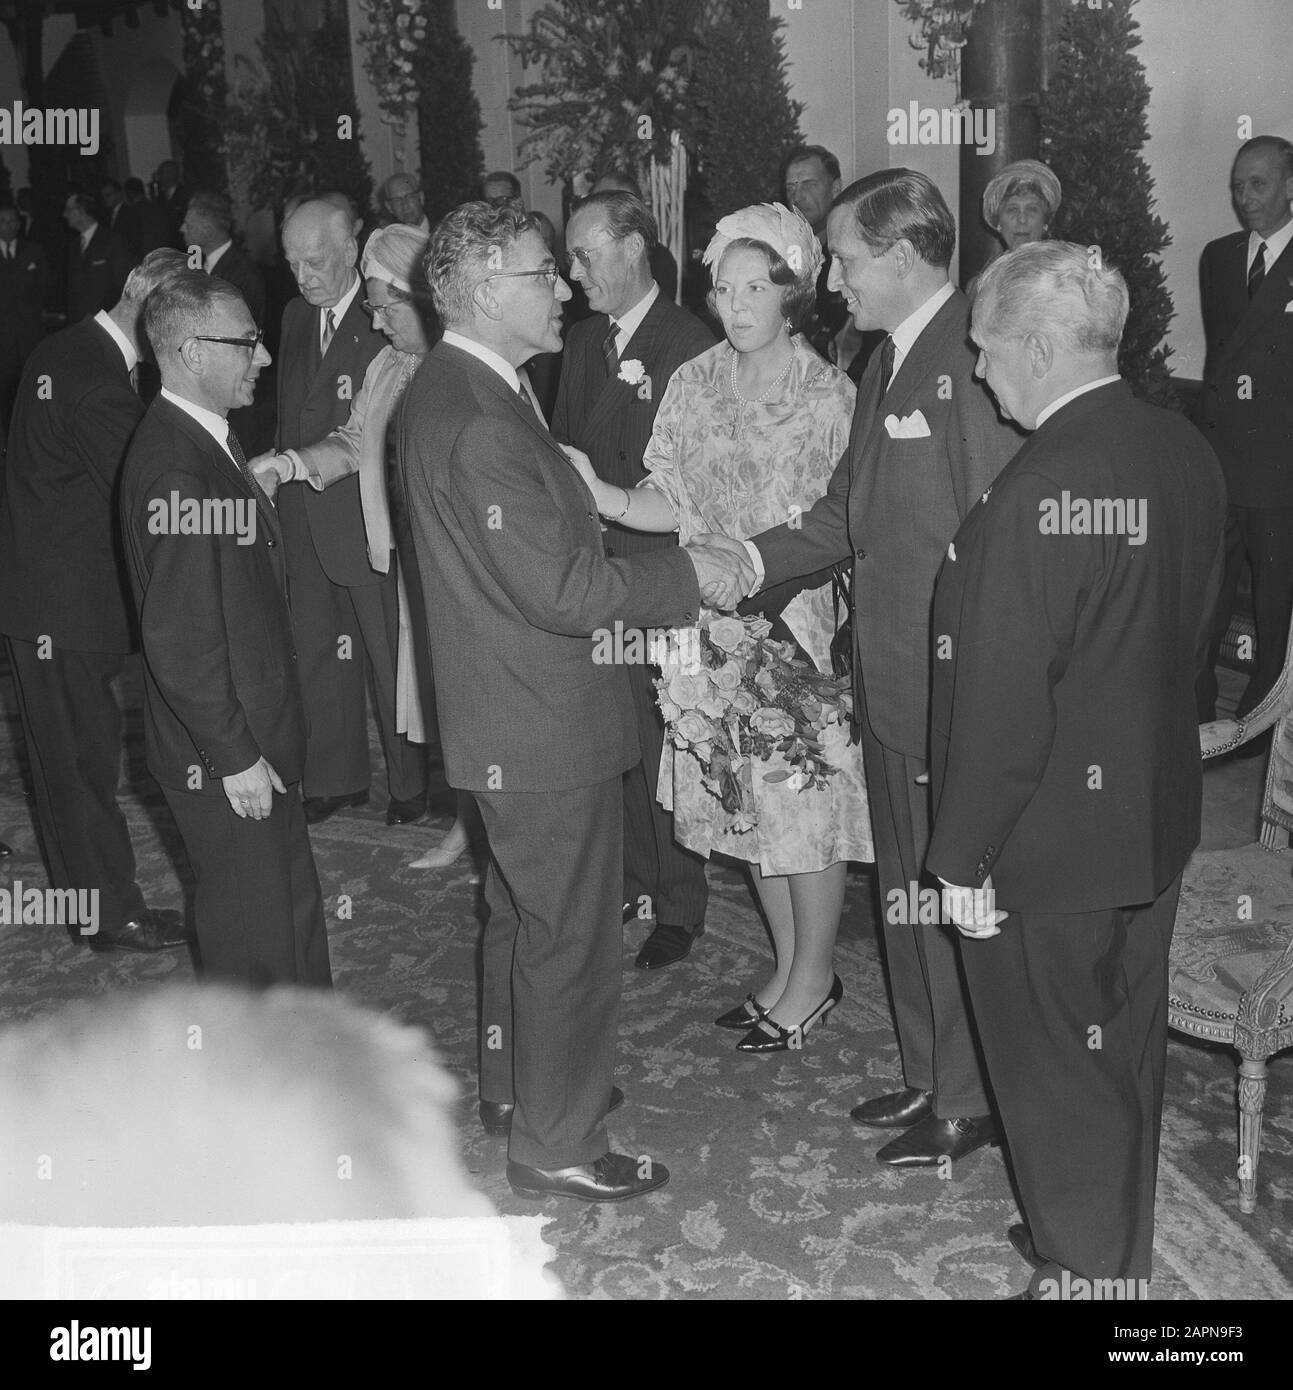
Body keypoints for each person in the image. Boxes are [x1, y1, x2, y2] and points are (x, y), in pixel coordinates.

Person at [396, 200, 740, 1202]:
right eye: (543, 274)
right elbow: (564, 592)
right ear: (485, 291)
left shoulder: (464, 387)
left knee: (518, 915)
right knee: (570, 938)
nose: (560, 289)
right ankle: (559, 1140)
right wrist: (692, 573)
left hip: (509, 713)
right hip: (539, 721)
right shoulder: (476, 411)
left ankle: (522, 1086)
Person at [926, 240, 1226, 1298]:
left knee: (1053, 1063)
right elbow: (1191, 638)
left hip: (1043, 840)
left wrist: (960, 859)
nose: (975, 370)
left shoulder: (1039, 487)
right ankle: (1109, 1233)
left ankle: (1090, 1270)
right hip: (1152, 810)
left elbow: (1005, 706)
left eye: (987, 348)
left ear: (1043, 348)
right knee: (1122, 1045)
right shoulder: (1179, 445)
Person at [710, 169, 1023, 1166]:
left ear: (898, 254)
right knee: (905, 896)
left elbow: (1003, 543)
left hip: (951, 691)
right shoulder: (890, 354)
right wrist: (749, 561)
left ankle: (969, 1097)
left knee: (950, 894)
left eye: (844, 257)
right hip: (888, 681)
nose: (831, 278)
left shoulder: (978, 352)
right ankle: (931, 1073)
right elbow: (848, 513)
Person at [567, 203, 872, 1049]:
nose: (735, 305)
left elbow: (839, 527)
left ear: (791, 293)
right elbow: (672, 502)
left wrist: (753, 583)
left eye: (754, 288)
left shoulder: (826, 395)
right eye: (722, 288)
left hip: (790, 626)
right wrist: (603, 492)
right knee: (746, 811)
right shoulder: (694, 380)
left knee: (801, 810)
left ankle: (813, 979)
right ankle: (784, 967)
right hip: (701, 623)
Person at [119, 271, 330, 987]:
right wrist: (234, 754)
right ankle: (261, 1094)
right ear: (188, 352)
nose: (263, 358)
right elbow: (178, 636)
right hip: (226, 748)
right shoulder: (177, 467)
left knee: (286, 915)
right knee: (255, 940)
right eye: (246, 343)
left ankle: (308, 1073)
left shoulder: (208, 444)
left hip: (253, 728)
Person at [252, 224, 475, 871]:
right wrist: (289, 463)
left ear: (427, 298)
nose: (375, 322)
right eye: (372, 307)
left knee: (463, 693)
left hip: (456, 564)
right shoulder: (389, 365)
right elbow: (353, 441)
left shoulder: (461, 369)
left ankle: (475, 821)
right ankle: (465, 821)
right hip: (404, 557)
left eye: (383, 305)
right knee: (426, 686)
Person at [0, 249, 191, 953]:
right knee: (81, 768)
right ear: (147, 306)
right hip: (62, 607)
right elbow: (148, 496)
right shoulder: (96, 383)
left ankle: (92, 908)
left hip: (42, 598)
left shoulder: (70, 346)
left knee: (65, 765)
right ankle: (112, 915)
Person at [552, 189, 716, 971]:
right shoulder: (583, 341)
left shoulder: (689, 342)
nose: (571, 270)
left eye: (584, 254)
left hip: (660, 576)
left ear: (631, 248)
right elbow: (564, 452)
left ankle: (680, 903)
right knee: (616, 734)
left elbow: (693, 481)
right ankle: (634, 879)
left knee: (670, 739)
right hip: (599, 577)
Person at [276, 200, 426, 826]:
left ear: (350, 249)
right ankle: (335, 775)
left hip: (372, 519)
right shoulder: (291, 316)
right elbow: (295, 411)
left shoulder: (392, 319)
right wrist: (284, 473)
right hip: (307, 506)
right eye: (292, 264)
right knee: (318, 651)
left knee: (391, 652)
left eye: (315, 261)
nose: (304, 276)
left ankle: (412, 784)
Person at [1195, 135, 1293, 750]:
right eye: (1237, 185)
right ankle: (1197, 720)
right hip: (1221, 460)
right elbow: (1220, 366)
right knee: (1205, 596)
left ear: (1290, 186)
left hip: (1281, 465)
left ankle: (1258, 727)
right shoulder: (1219, 257)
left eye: (1257, 184)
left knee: (1274, 608)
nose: (1244, 197)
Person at [783, 144, 879, 378]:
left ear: (835, 188)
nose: (797, 196)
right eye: (791, 187)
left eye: (809, 184)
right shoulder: (783, 255)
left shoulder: (859, 255)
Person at [967, 158, 1062, 298]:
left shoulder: (1065, 277)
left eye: (1032, 209)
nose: (1022, 219)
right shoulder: (981, 288)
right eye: (1012, 209)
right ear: (998, 222)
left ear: (1045, 221)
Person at [181, 191, 266, 325]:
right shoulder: (200, 262)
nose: (182, 229)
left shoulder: (242, 273)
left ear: (207, 230)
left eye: (188, 225)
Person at [591, 171, 678, 300]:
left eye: (618, 206)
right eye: (598, 202)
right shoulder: (580, 259)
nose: (607, 212)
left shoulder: (659, 259)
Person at [0, 202, 47, 440]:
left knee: (35, 385)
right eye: (3, 221)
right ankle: (9, 437)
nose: (9, 226)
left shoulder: (34, 251)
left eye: (12, 221)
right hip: (3, 337)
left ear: (19, 224)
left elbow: (44, 287)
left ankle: (37, 435)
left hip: (30, 333)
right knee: (6, 389)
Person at [63, 192, 133, 322]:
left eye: (68, 210)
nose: (65, 215)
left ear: (81, 211)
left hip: (107, 321)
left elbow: (124, 285)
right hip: (80, 323)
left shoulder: (112, 241)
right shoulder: (74, 246)